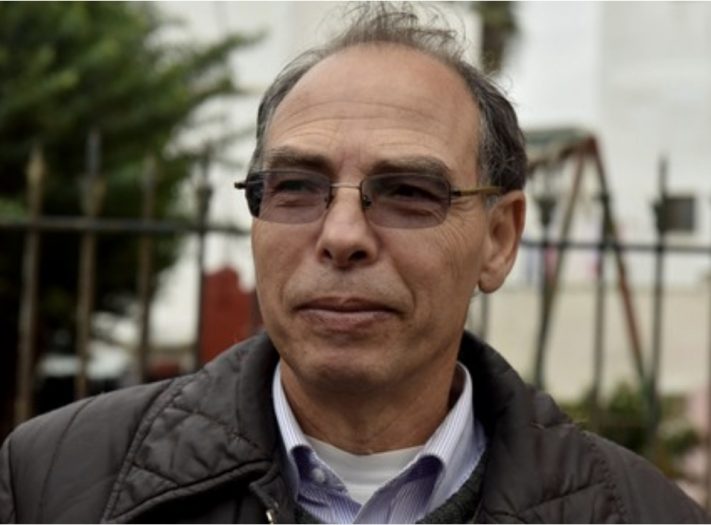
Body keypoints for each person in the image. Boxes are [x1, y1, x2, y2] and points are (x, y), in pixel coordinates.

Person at [0, 4, 707, 524]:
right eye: (296, 186)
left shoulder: (646, 514)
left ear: (498, 238)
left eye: (408, 192)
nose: (342, 236)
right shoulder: (52, 482)